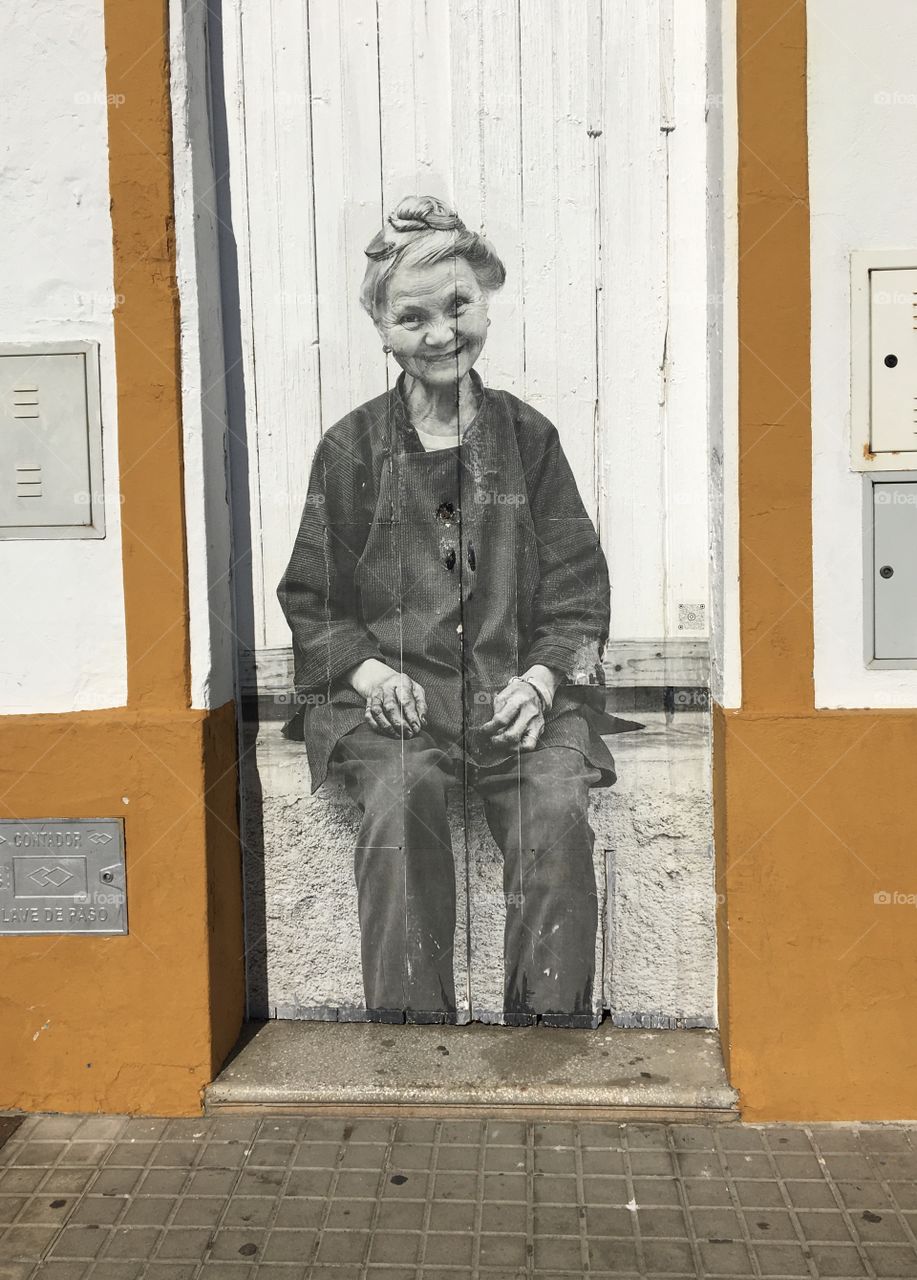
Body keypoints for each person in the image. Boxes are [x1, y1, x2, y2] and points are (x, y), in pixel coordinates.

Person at [278, 195, 621, 1028]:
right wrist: (365, 669)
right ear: (383, 330)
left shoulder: (528, 439)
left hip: (515, 704)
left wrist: (541, 680)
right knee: (399, 805)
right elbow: (311, 597)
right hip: (395, 708)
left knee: (552, 813)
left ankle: (548, 1038)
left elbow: (578, 584)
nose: (439, 335)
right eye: (412, 318)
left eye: (458, 307)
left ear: (486, 304)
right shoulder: (351, 447)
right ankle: (409, 1038)